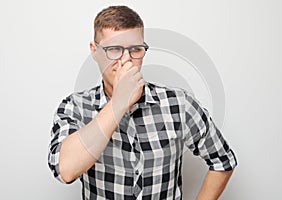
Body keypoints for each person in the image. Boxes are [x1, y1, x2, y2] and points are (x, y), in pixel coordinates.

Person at [48, 5, 237, 200]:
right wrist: (119, 102)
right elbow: (65, 170)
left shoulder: (179, 104)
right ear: (94, 51)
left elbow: (223, 161)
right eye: (114, 50)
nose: (126, 60)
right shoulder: (75, 107)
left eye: (135, 49)